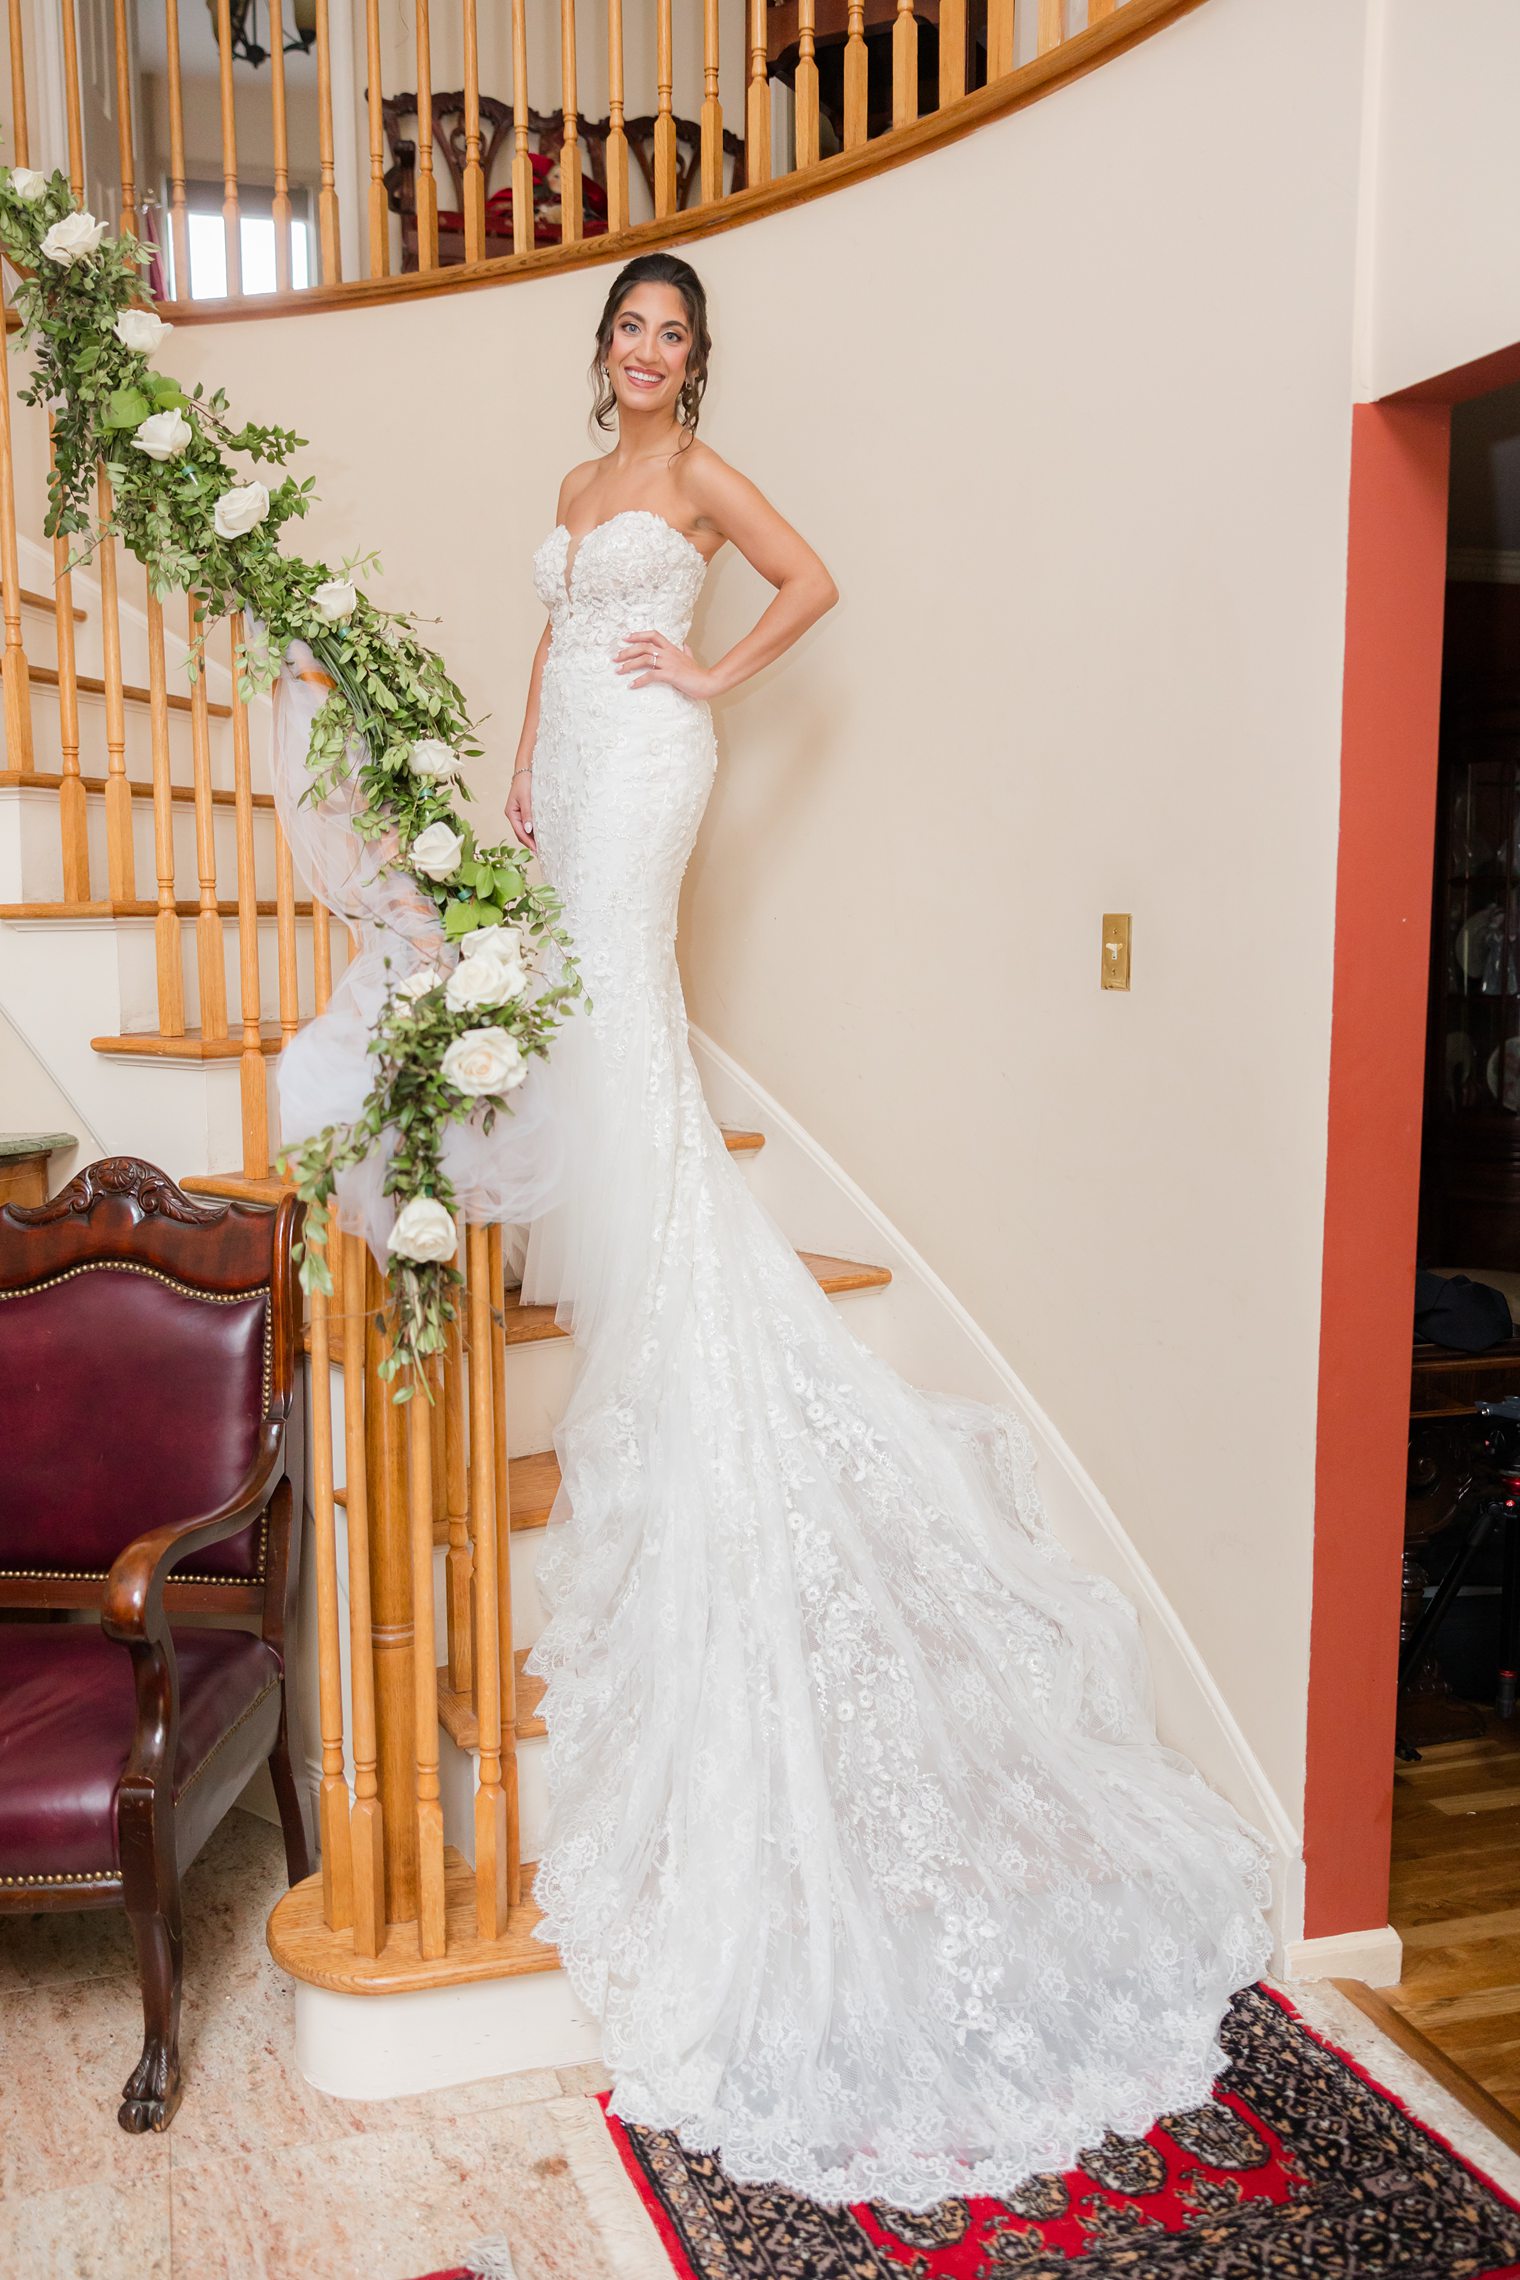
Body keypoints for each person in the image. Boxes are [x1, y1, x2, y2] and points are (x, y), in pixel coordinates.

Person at [504, 250, 1272, 2212]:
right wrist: (522, 763)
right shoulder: (586, 484)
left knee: (616, 987)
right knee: (590, 1017)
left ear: (694, 361)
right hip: (572, 764)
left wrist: (706, 680)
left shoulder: (697, 485)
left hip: (655, 762)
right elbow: (537, 651)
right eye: (629, 329)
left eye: (671, 333)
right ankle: (642, 1258)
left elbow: (814, 582)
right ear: (602, 353)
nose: (645, 352)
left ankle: (686, 1297)